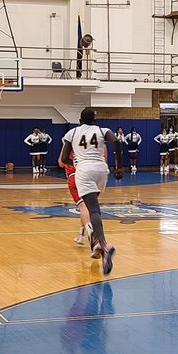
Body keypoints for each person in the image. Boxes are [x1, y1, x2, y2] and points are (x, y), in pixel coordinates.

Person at [59, 108, 122, 275]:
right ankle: (95, 244)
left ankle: (104, 245)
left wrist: (76, 160)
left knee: (93, 211)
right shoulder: (102, 130)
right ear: (95, 119)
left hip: (84, 170)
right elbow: (116, 141)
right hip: (102, 171)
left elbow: (64, 159)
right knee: (93, 208)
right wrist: (119, 166)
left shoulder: (72, 133)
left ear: (80, 119)